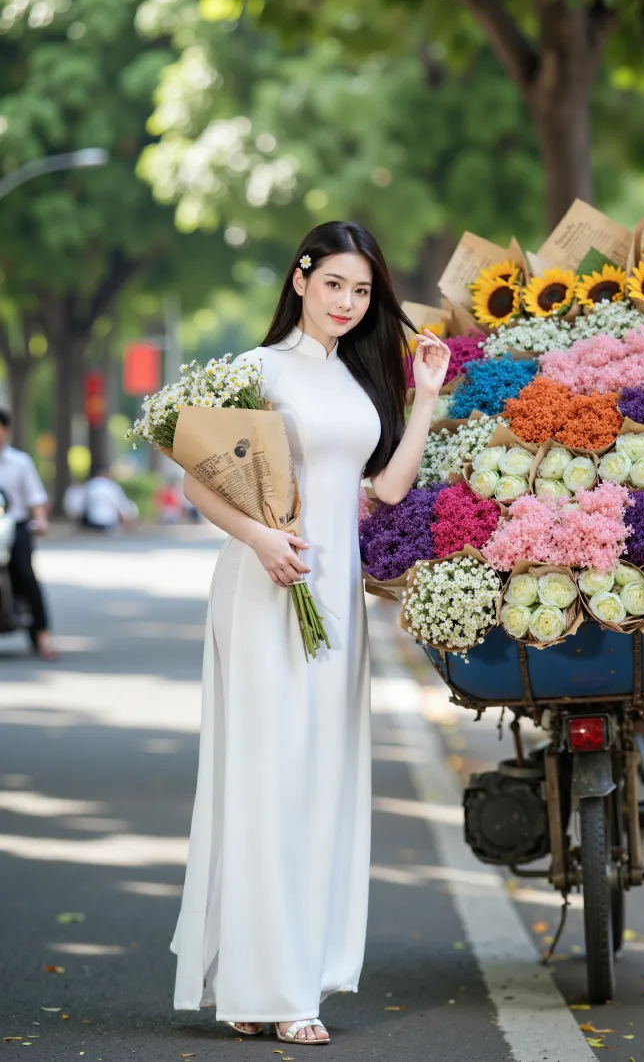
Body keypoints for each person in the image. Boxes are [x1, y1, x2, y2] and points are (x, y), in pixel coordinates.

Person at [170, 221, 450, 1045]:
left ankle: (278, 978)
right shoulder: (256, 371)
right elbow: (198, 481)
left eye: (362, 292)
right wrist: (259, 541)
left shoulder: (361, 384)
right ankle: (277, 990)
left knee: (320, 780)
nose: (348, 303)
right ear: (299, 281)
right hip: (263, 590)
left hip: (333, 597)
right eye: (335, 285)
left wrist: (425, 393)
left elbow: (386, 491)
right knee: (268, 776)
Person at [0, 407, 57, 660]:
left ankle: (42, 636)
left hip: (15, 527)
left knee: (24, 572)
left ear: (6, 430)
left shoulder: (20, 462)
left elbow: (35, 498)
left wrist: (41, 521)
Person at [64, 466, 139, 531]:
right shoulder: (112, 486)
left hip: (92, 521)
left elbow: (79, 506)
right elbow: (121, 505)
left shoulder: (89, 485)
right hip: (109, 522)